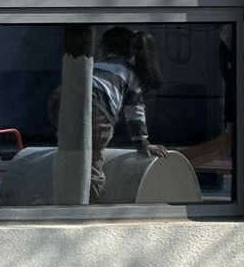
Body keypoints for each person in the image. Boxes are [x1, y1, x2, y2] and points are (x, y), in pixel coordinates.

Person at [48, 26, 168, 202]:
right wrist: (142, 144)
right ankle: (88, 204)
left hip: (61, 98)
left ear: (104, 49)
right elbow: (135, 113)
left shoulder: (95, 66)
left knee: (71, 152)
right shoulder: (129, 74)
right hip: (96, 109)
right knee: (91, 163)